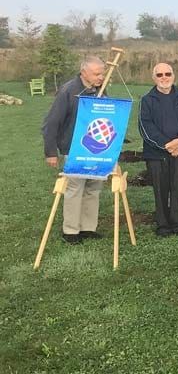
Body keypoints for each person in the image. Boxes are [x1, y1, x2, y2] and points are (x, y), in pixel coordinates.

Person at [42, 56, 107, 244]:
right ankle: (70, 231)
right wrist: (51, 152)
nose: (101, 77)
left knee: (93, 188)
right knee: (75, 189)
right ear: (83, 72)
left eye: (102, 73)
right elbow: (51, 123)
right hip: (74, 148)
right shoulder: (68, 91)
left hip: (96, 151)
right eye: (96, 74)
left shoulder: (99, 91)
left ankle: (88, 228)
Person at [138, 62, 178, 237]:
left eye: (167, 74)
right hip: (157, 154)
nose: (164, 77)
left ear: (173, 76)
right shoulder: (146, 100)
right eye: (159, 75)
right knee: (160, 188)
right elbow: (146, 127)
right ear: (153, 78)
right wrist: (168, 146)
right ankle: (163, 225)